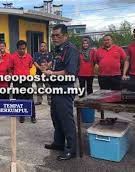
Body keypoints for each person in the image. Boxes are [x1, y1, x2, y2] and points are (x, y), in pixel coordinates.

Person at [43, 24, 79, 161]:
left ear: (65, 36)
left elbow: (69, 72)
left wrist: (52, 73)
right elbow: (57, 66)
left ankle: (71, 149)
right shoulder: (57, 50)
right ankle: (58, 143)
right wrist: (48, 68)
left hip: (64, 88)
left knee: (66, 119)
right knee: (56, 117)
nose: (55, 38)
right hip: (55, 88)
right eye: (53, 35)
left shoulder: (71, 50)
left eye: (58, 35)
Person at [10, 40, 36, 123]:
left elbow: (30, 67)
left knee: (30, 99)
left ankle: (33, 116)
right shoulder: (12, 57)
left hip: (27, 81)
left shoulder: (29, 57)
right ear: (17, 49)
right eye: (20, 49)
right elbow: (10, 69)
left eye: (23, 49)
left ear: (26, 48)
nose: (22, 50)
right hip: (17, 81)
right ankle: (22, 116)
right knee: (19, 99)